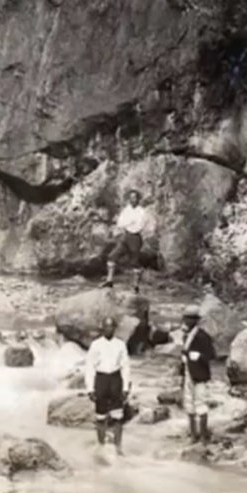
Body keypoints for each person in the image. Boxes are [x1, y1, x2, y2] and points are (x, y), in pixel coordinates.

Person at [84, 316, 131, 456]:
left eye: (111, 327)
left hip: (115, 379)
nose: (108, 329)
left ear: (114, 328)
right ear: (102, 329)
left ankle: (118, 446)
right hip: (101, 379)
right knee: (100, 416)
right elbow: (89, 367)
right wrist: (90, 388)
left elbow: (125, 366)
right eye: (106, 327)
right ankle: (101, 445)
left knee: (118, 416)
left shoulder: (120, 344)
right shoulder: (96, 345)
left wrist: (125, 387)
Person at [103, 189, 152, 292]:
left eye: (134, 197)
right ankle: (109, 281)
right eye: (131, 198)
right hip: (126, 235)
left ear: (138, 199)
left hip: (135, 237)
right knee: (112, 256)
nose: (132, 200)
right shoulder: (126, 210)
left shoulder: (142, 212)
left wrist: (130, 223)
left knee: (134, 261)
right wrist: (129, 223)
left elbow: (140, 225)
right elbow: (121, 223)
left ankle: (135, 285)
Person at [179, 307, 216, 444]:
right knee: (189, 404)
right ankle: (193, 435)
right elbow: (184, 354)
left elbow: (211, 355)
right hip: (189, 374)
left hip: (200, 375)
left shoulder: (202, 336)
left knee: (201, 405)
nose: (187, 321)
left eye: (190, 319)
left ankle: (203, 437)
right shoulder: (187, 336)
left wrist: (199, 356)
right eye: (186, 318)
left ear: (195, 321)